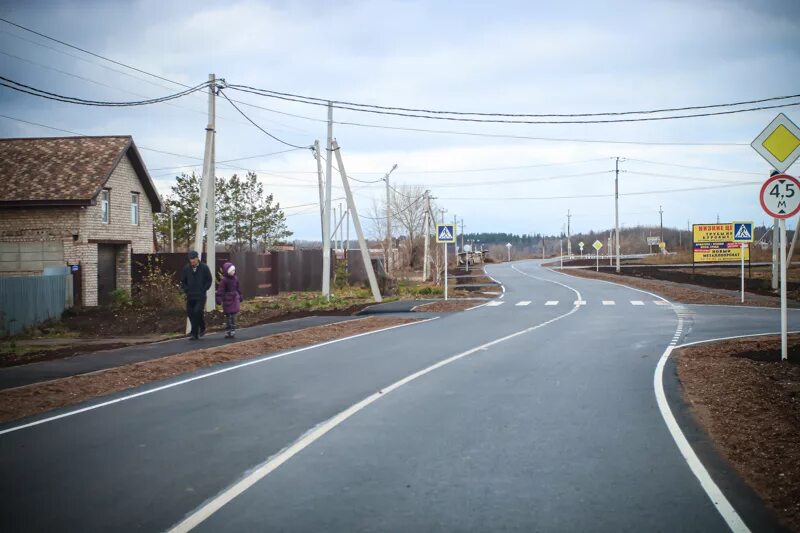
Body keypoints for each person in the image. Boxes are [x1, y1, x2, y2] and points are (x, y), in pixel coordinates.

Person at [180, 251, 213, 340]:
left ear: (197, 258)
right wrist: (186, 289)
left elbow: (209, 280)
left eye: (193, 259)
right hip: (190, 295)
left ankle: (194, 333)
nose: (192, 261)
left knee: (197, 311)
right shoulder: (186, 268)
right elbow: (183, 281)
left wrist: (204, 289)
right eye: (190, 259)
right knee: (191, 313)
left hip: (200, 295)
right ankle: (201, 327)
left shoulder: (204, 268)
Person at [216, 261, 243, 338]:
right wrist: (219, 299)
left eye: (234, 271)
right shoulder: (224, 281)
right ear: (227, 272)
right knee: (228, 316)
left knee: (233, 316)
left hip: (234, 299)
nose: (233, 272)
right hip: (227, 300)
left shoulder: (235, 279)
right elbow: (220, 290)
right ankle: (228, 330)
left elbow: (238, 288)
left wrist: (240, 296)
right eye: (231, 271)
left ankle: (232, 330)